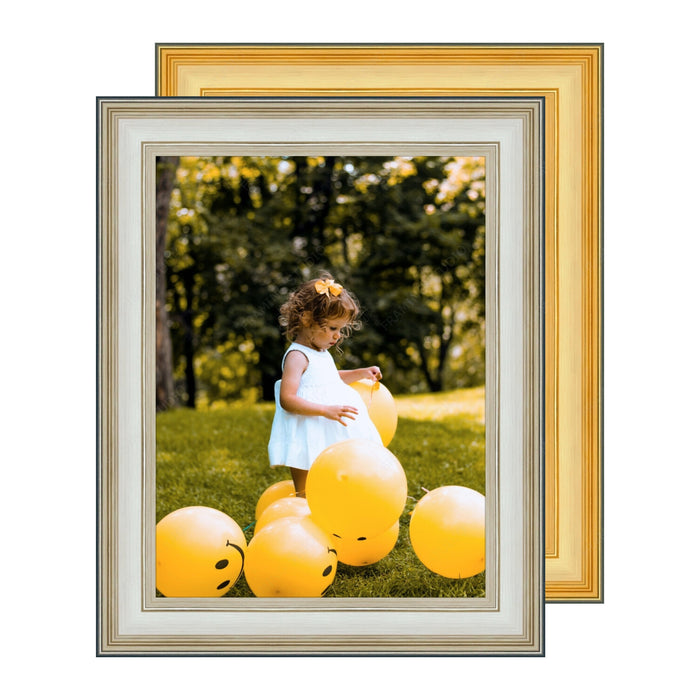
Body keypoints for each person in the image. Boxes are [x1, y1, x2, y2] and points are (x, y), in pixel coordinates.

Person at [268, 273, 383, 497]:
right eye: (332, 328)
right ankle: (301, 509)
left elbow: (329, 379)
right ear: (307, 319)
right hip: (307, 428)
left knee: (334, 481)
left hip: (327, 426)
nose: (338, 336)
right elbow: (287, 399)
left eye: (340, 329)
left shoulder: (320, 352)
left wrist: (361, 373)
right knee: (306, 490)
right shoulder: (297, 356)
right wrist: (325, 410)